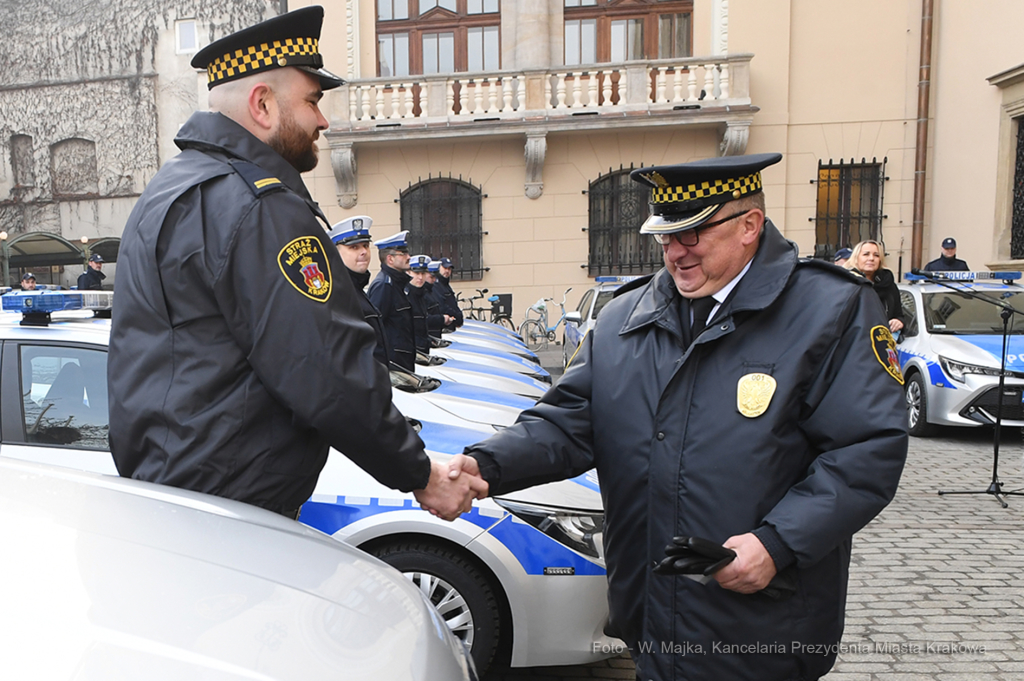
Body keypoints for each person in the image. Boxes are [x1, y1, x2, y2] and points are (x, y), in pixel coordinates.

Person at [448, 153, 908, 680]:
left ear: (749, 226)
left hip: (762, 624)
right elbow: (568, 422)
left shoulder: (831, 309)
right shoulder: (627, 315)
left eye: (692, 235)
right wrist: (486, 466)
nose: (675, 253)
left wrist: (778, 543)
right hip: (652, 620)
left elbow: (866, 449)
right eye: (665, 237)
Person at [108, 7, 483, 521]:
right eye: (311, 101)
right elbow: (324, 367)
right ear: (262, 104)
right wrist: (419, 475)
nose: (322, 120)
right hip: (237, 511)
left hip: (176, 496)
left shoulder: (169, 189)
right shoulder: (259, 205)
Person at [328, 215, 390, 367]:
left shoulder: (355, 288)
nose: (363, 251)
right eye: (353, 247)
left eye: (365, 245)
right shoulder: (337, 294)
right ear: (335, 253)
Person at [368, 230, 417, 371]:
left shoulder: (397, 284)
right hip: (394, 363)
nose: (409, 257)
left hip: (403, 361)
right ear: (390, 259)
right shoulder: (384, 285)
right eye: (403, 254)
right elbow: (375, 328)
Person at [844, 240, 905, 333]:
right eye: (866, 254)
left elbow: (899, 314)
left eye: (876, 255)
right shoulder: (846, 283)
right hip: (853, 341)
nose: (871, 258)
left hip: (882, 340)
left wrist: (899, 321)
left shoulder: (889, 285)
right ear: (856, 258)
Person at [431, 256, 464, 331]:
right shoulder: (436, 285)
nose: (447, 271)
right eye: (445, 268)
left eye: (449, 269)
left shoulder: (445, 284)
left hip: (451, 325)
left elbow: (452, 304)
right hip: (444, 326)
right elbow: (442, 306)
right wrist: (457, 316)